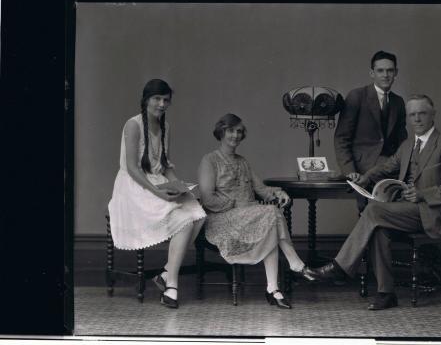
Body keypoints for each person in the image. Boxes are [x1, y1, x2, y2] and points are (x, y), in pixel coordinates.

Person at [314, 95, 441, 310]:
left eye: (422, 113)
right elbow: (387, 167)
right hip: (406, 211)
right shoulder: (408, 144)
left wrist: (422, 194)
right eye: (412, 115)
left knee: (374, 210)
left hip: (432, 213)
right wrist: (364, 178)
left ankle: (340, 267)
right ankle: (386, 293)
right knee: (378, 230)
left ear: (433, 115)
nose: (417, 119)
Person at [198, 114, 318, 309]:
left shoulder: (243, 161)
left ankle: (273, 289)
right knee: (270, 214)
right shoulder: (209, 160)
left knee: (270, 220)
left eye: (239, 131)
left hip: (251, 218)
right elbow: (207, 199)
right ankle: (295, 265)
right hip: (221, 220)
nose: (235, 135)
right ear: (221, 132)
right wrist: (237, 205)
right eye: (230, 130)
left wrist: (279, 192)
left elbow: (261, 189)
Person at [108, 79, 206, 309]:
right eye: (157, 99)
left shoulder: (165, 126)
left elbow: (165, 164)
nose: (162, 104)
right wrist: (159, 194)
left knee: (198, 213)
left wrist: (180, 186)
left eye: (166, 100)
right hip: (133, 186)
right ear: (146, 100)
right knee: (183, 219)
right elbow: (132, 168)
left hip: (156, 180)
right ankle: (171, 285)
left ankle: (165, 273)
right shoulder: (133, 125)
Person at [334, 50, 408, 211]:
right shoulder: (357, 96)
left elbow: (404, 142)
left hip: (390, 167)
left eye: (390, 70)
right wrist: (350, 171)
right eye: (380, 70)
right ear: (372, 73)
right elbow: (341, 138)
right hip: (361, 167)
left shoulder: (398, 102)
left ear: (396, 73)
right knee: (374, 210)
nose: (385, 75)